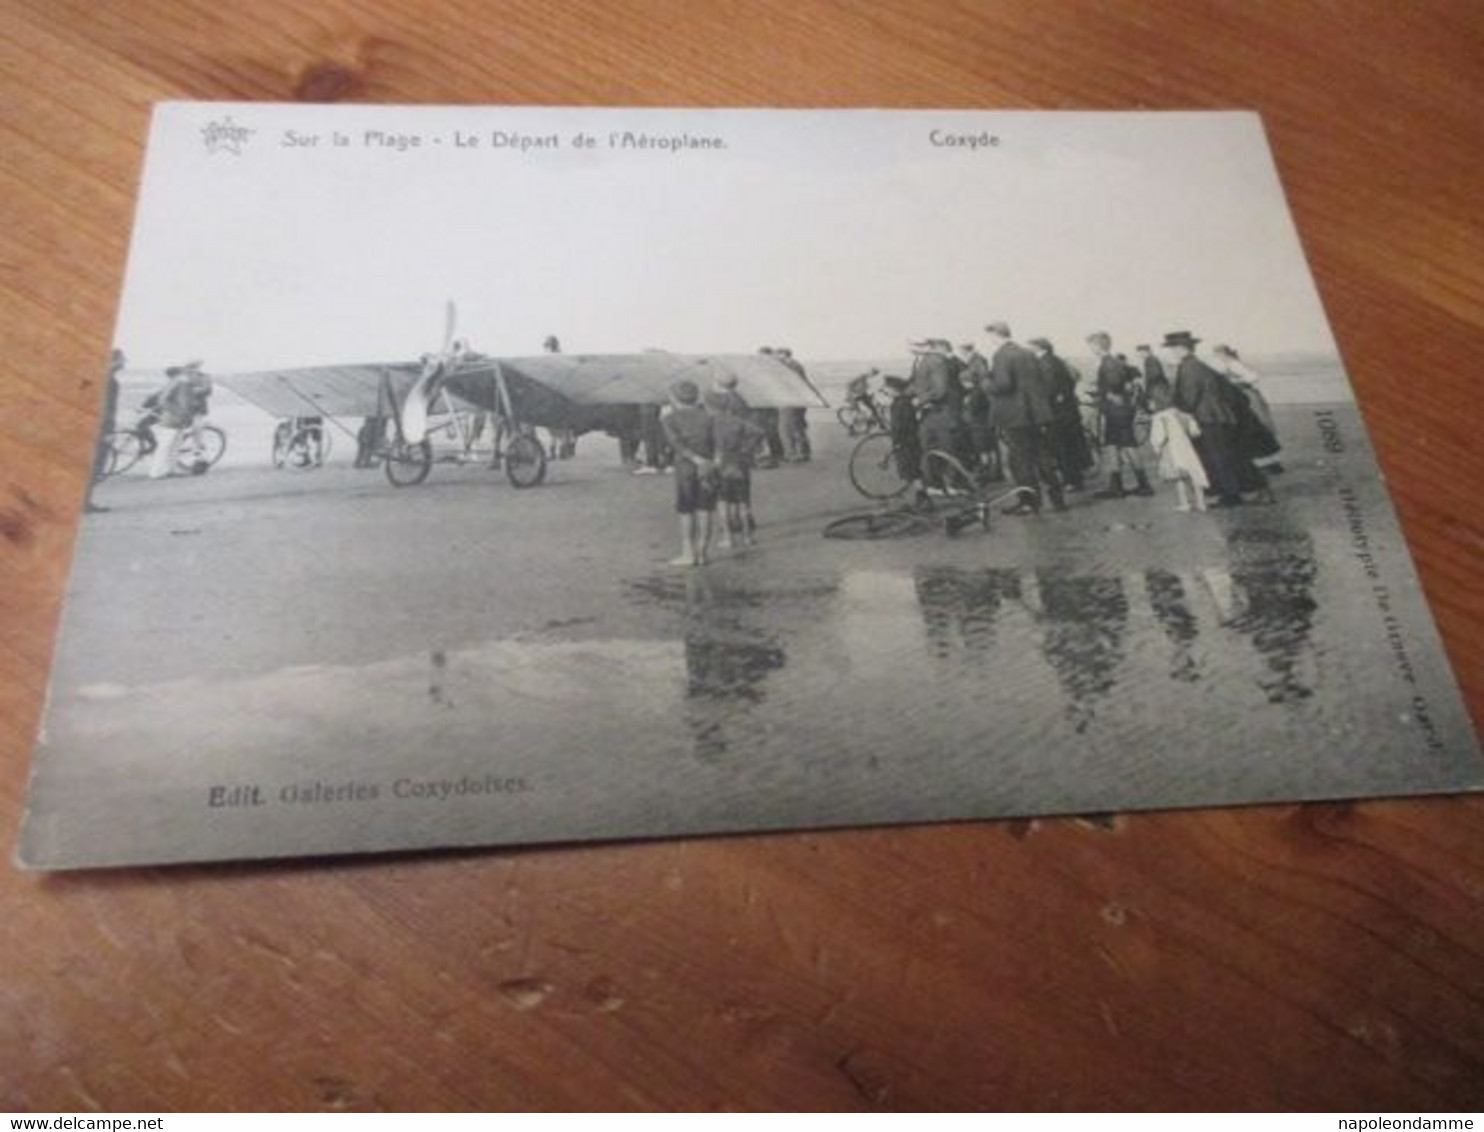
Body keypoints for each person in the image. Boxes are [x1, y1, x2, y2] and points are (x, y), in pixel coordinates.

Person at [1165, 330, 1269, 507]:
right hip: (1219, 416)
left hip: (1210, 417)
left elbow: (1190, 397)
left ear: (1182, 348)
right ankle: (1250, 490)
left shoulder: (1189, 367)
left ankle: (1232, 495)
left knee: (1219, 457)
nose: (1172, 352)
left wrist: (1177, 409)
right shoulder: (1196, 364)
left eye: (1173, 348)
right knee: (1230, 455)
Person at [983, 321, 1065, 514]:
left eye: (989, 336)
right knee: (1042, 456)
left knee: (1019, 459)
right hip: (1035, 415)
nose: (989, 340)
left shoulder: (1002, 354)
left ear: (996, 335)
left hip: (1015, 416)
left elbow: (1003, 385)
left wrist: (985, 381)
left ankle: (1029, 502)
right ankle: (1057, 499)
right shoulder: (1027, 353)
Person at [1087, 332, 1153, 498]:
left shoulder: (1108, 363)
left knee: (1127, 445)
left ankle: (1142, 485)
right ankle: (1119, 485)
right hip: (1120, 411)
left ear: (1098, 346)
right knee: (1113, 446)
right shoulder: (1114, 362)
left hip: (1116, 411)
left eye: (1091, 345)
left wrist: (1105, 393)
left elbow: (1115, 384)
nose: (1090, 349)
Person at [660, 379, 717, 566]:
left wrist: (694, 458)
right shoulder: (709, 416)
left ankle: (688, 553)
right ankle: (703, 552)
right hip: (708, 465)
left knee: (686, 509)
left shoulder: (669, 419)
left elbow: (675, 443)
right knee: (706, 508)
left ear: (674, 399)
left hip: (685, 467)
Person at [1028, 337, 1093, 492]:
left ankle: (1071, 480)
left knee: (1062, 447)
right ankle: (1075, 479)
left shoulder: (1045, 363)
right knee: (1070, 446)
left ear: (1038, 347)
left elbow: (1049, 388)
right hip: (1067, 411)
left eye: (1030, 347)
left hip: (1058, 413)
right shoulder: (1055, 360)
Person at [706, 389, 766, 550]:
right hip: (740, 463)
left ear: (709, 407)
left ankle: (728, 537)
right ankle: (748, 537)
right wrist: (747, 449)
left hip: (720, 464)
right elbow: (759, 432)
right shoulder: (737, 421)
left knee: (722, 503)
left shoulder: (710, 423)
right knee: (744, 503)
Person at [1212, 344, 1283, 474]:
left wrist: (1235, 381)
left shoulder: (1233, 364)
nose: (1217, 357)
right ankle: (1267, 463)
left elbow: (1253, 376)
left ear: (1224, 354)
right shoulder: (1228, 365)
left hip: (1248, 397)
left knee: (1258, 428)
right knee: (1254, 430)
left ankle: (1270, 464)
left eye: (1218, 354)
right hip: (1243, 397)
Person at [1146, 380, 1208, 512]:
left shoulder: (1159, 417)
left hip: (1170, 449)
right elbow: (1195, 432)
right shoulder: (1183, 414)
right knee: (1193, 473)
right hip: (1188, 448)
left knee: (1179, 478)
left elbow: (1158, 437)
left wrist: (1156, 448)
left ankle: (1184, 503)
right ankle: (1201, 502)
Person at [149, 362, 211, 479]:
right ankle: (156, 472)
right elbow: (162, 400)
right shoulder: (179, 382)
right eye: (191, 371)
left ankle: (169, 470)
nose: (194, 374)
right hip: (173, 419)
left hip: (181, 419)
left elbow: (186, 402)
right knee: (166, 445)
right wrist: (176, 412)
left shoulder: (184, 383)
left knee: (174, 446)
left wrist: (186, 415)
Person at [85, 349, 125, 512]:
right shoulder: (110, 381)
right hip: (99, 430)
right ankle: (84, 503)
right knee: (95, 466)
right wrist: (108, 431)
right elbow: (106, 409)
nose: (123, 364)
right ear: (113, 361)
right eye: (122, 360)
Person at [884, 375, 928, 509]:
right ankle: (920, 498)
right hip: (911, 441)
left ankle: (922, 499)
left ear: (895, 390)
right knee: (912, 471)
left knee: (910, 471)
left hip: (905, 442)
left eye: (887, 389)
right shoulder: (905, 402)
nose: (886, 392)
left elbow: (899, 426)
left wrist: (897, 441)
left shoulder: (898, 404)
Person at [957, 342, 1000, 479]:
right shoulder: (978, 363)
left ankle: (987, 473)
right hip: (985, 421)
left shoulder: (977, 362)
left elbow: (972, 410)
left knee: (983, 449)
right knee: (991, 447)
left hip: (978, 424)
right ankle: (994, 471)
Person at [775, 347, 812, 462]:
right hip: (799, 400)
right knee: (798, 427)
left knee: (785, 428)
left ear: (784, 354)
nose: (776, 357)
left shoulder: (789, 366)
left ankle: (791, 454)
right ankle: (804, 452)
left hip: (790, 400)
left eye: (778, 354)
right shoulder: (796, 365)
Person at [751, 347, 786, 467]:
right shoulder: (771, 368)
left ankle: (774, 454)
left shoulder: (770, 369)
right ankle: (776, 454)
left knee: (769, 431)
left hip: (766, 404)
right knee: (768, 430)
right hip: (764, 404)